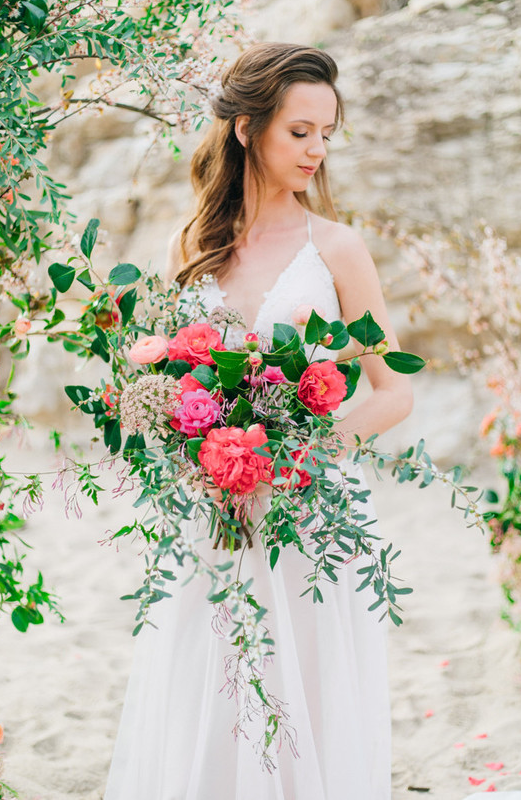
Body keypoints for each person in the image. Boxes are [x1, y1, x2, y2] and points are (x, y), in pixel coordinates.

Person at [104, 42, 413, 800]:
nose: (316, 149)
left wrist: (307, 448)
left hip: (309, 509)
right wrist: (182, 436)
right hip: (211, 511)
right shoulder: (193, 246)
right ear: (247, 128)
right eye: (298, 131)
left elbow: (393, 388)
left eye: (326, 133)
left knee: (301, 692)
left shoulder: (336, 249)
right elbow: (167, 377)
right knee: (206, 685)